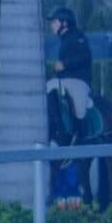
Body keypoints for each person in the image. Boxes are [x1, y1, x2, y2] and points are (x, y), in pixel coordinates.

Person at [45, 7, 93, 142]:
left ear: (65, 23)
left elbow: (84, 57)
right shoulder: (64, 40)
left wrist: (65, 64)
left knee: (79, 111)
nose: (52, 25)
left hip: (79, 82)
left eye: (54, 22)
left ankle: (81, 136)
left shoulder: (78, 37)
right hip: (64, 81)